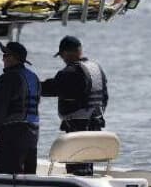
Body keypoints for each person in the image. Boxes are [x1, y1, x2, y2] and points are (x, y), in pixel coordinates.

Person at [41, 35, 108, 176]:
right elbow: (105, 96)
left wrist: (32, 86)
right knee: (88, 161)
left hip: (77, 125)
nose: (62, 59)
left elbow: (52, 88)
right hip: (95, 123)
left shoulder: (71, 72)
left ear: (67, 53)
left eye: (62, 56)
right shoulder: (96, 68)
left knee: (75, 166)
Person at [0, 41, 41, 175]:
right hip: (32, 134)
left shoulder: (7, 78)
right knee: (28, 177)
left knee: (9, 175)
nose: (2, 59)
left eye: (5, 55)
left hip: (13, 134)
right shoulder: (34, 78)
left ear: (13, 58)